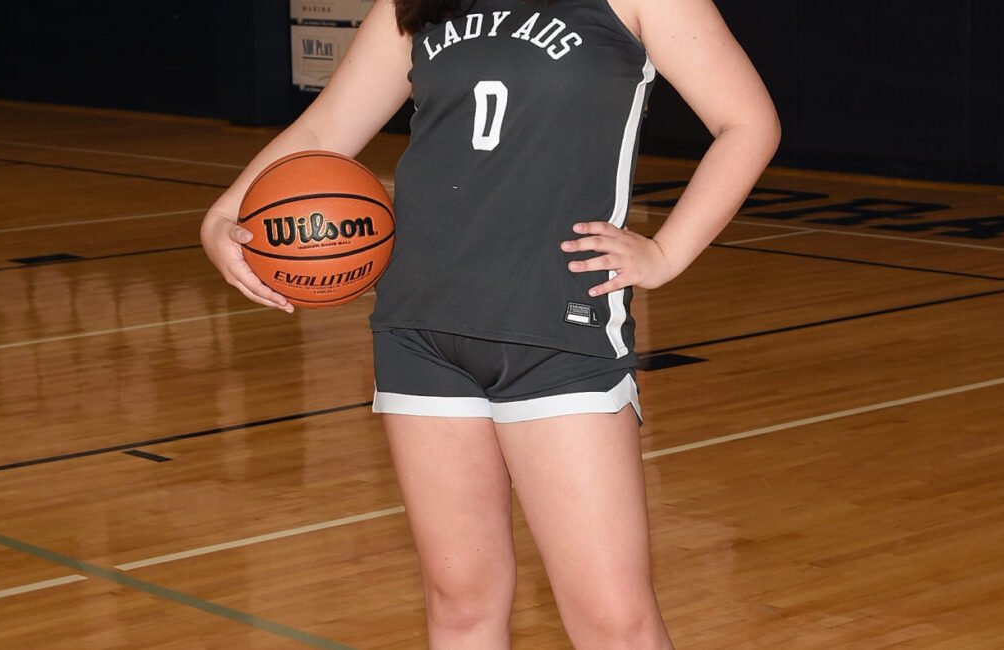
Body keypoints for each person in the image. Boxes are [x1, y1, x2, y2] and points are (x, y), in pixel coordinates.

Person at [201, 0, 779, 646]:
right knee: (460, 604)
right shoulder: (413, 3)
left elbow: (747, 122)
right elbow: (325, 126)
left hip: (556, 329)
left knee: (612, 621)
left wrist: (667, 252)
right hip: (419, 327)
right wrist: (223, 214)